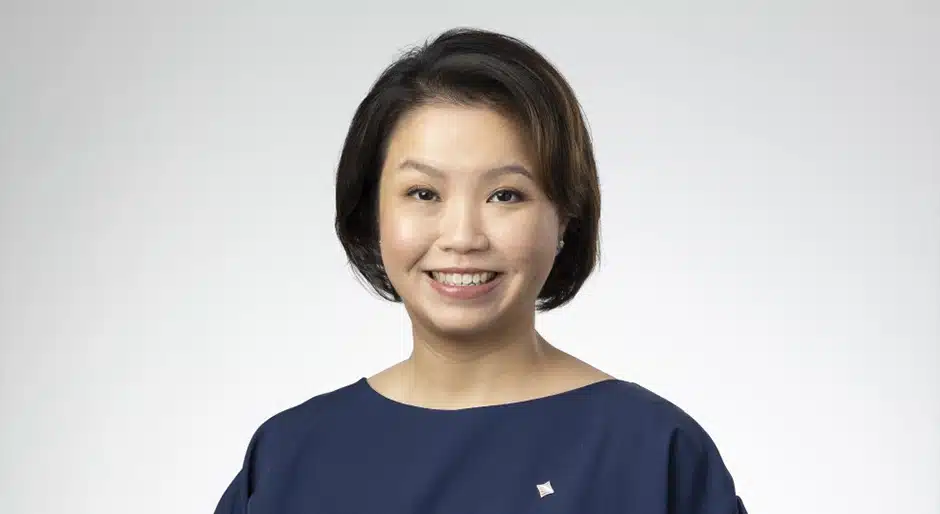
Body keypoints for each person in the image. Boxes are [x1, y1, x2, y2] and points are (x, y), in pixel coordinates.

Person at [213, 27, 748, 514]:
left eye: (505, 195)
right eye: (423, 193)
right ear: (372, 212)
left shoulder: (652, 452)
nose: (463, 237)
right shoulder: (288, 457)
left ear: (565, 216)